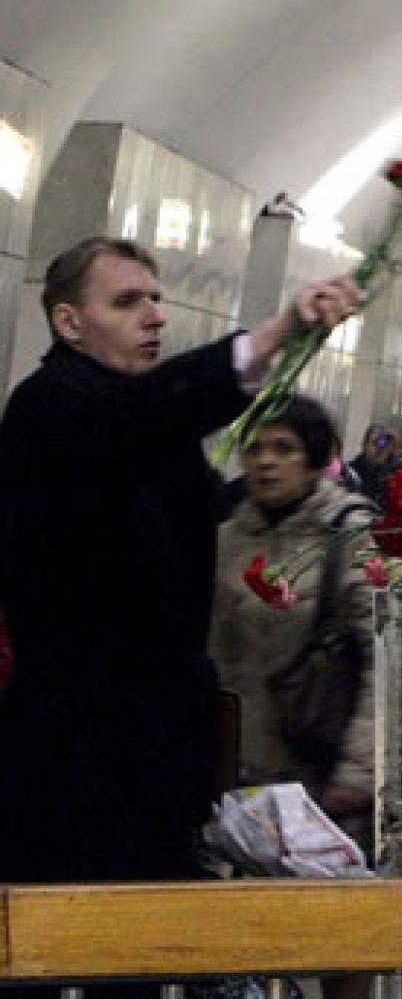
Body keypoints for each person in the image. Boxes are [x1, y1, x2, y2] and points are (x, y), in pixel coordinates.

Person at [0, 236, 359, 890]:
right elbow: (141, 416)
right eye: (127, 302)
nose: (155, 316)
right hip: (78, 763)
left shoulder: (140, 419)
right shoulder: (48, 406)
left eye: (156, 299)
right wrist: (276, 333)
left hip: (155, 756)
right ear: (69, 322)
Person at [210, 395, 376, 845]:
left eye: (284, 449)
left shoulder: (350, 535)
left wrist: (359, 770)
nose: (266, 462)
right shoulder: (228, 538)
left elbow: (380, 656)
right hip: (242, 775)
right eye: (255, 449)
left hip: (321, 773)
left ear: (314, 459)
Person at [349, 422, 402, 504]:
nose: (380, 449)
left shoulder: (395, 473)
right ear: (364, 445)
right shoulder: (349, 472)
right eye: (375, 443)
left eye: (385, 445)